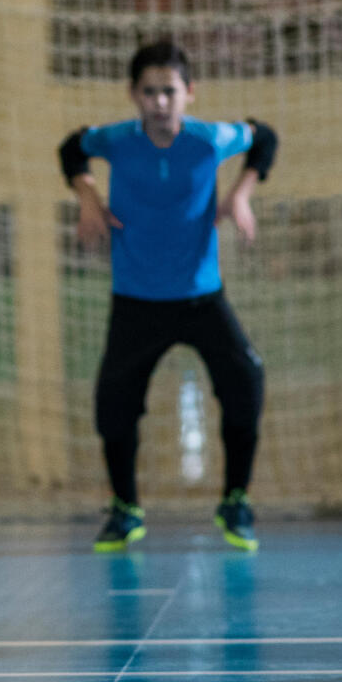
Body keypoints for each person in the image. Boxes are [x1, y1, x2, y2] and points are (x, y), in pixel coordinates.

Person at [59, 39, 278, 553]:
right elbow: (71, 148)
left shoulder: (209, 140)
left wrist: (241, 194)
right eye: (150, 92)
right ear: (134, 95)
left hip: (202, 298)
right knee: (113, 403)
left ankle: (236, 501)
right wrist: (88, 198)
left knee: (245, 382)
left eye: (170, 92)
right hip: (134, 300)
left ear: (190, 93)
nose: (160, 102)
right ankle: (126, 509)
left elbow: (264, 137)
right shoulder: (116, 141)